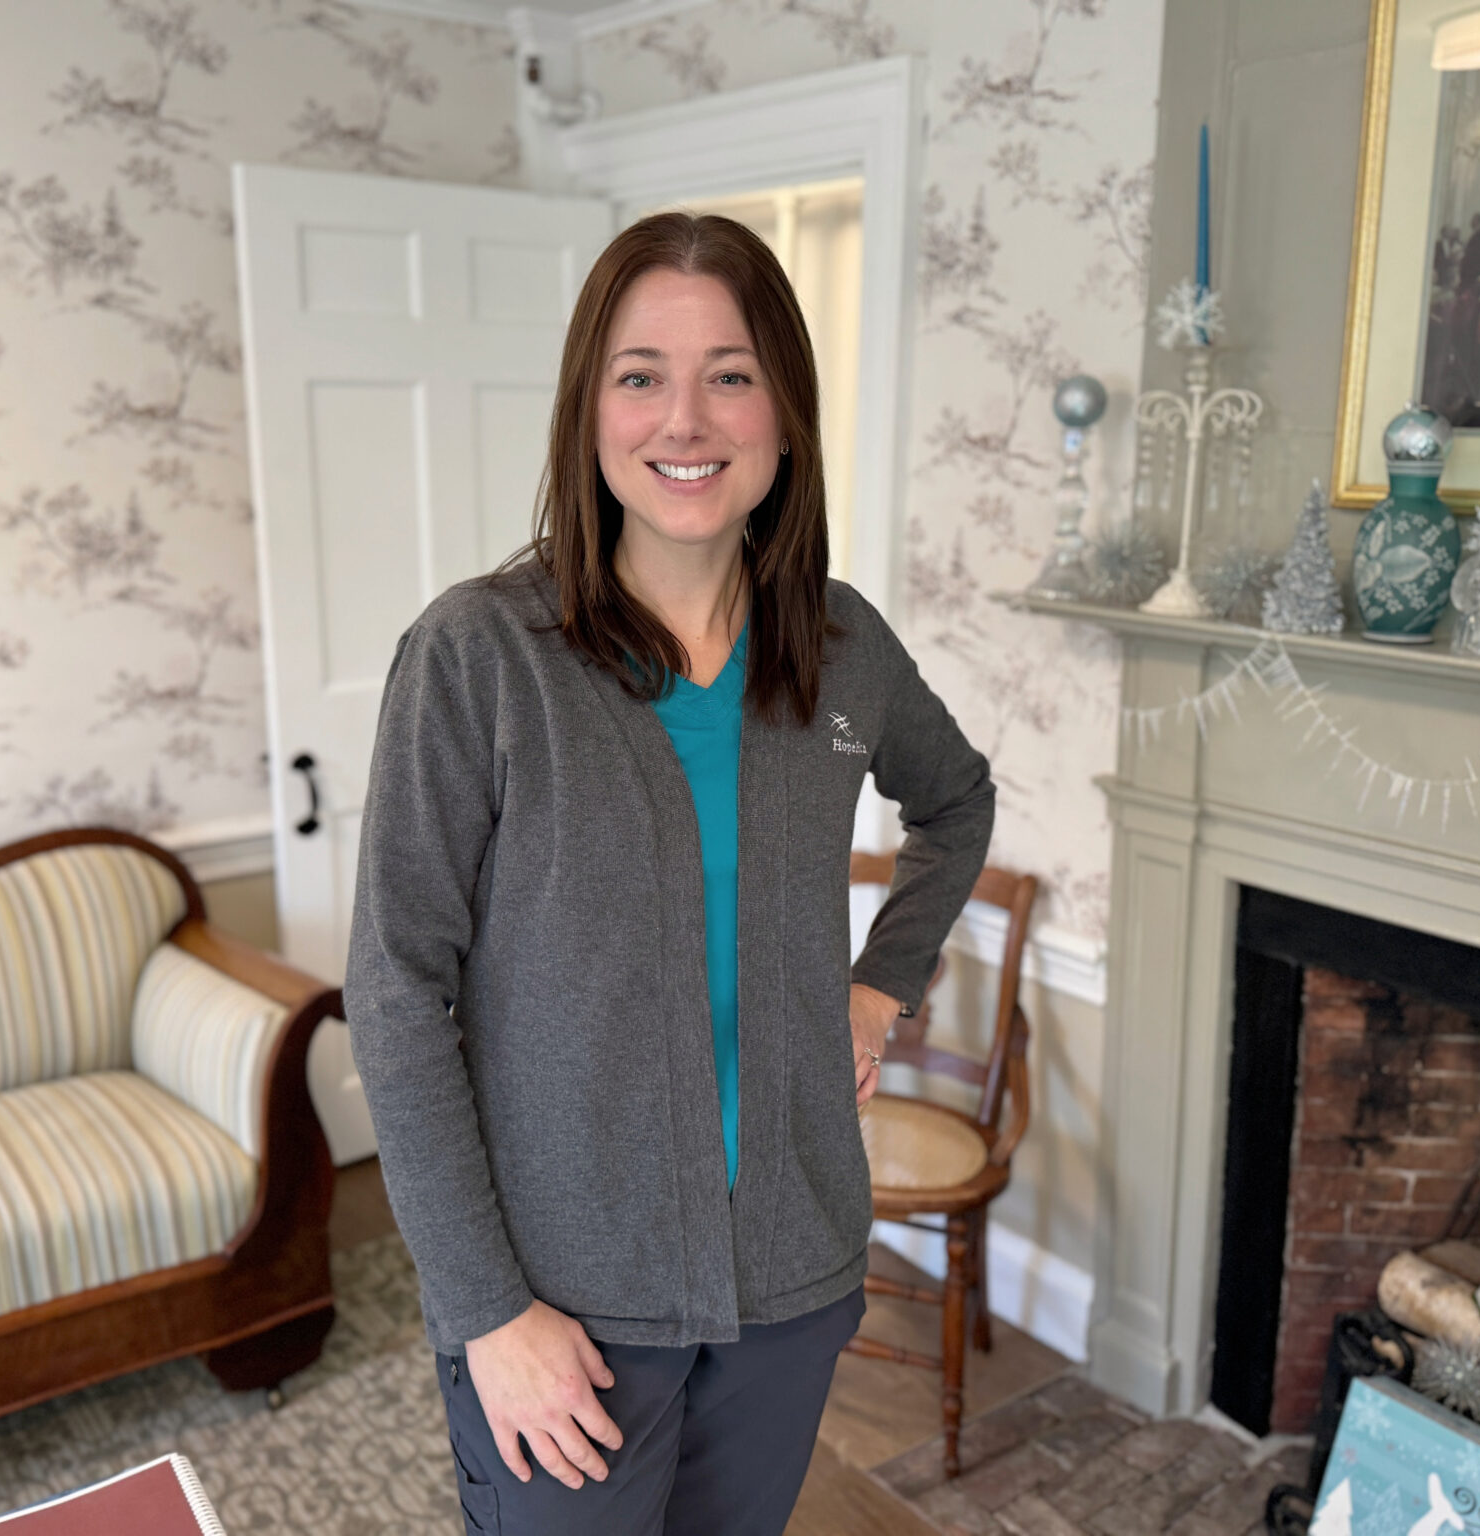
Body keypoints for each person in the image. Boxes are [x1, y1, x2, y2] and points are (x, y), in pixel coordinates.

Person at [344, 210, 995, 1536]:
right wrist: (488, 1312)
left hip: (792, 1283)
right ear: (590, 410)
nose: (684, 419)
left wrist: (879, 991)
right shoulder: (481, 656)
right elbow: (399, 992)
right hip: (563, 1311)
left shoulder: (841, 643)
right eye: (641, 375)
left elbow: (957, 800)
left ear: (786, 412)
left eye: (731, 375)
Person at [1458, 213, 1480, 293]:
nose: (1471, 222)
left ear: (1478, 221)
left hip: (1474, 267)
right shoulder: (1476, 232)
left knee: (1469, 289)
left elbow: (1477, 252)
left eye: (1473, 220)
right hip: (1470, 266)